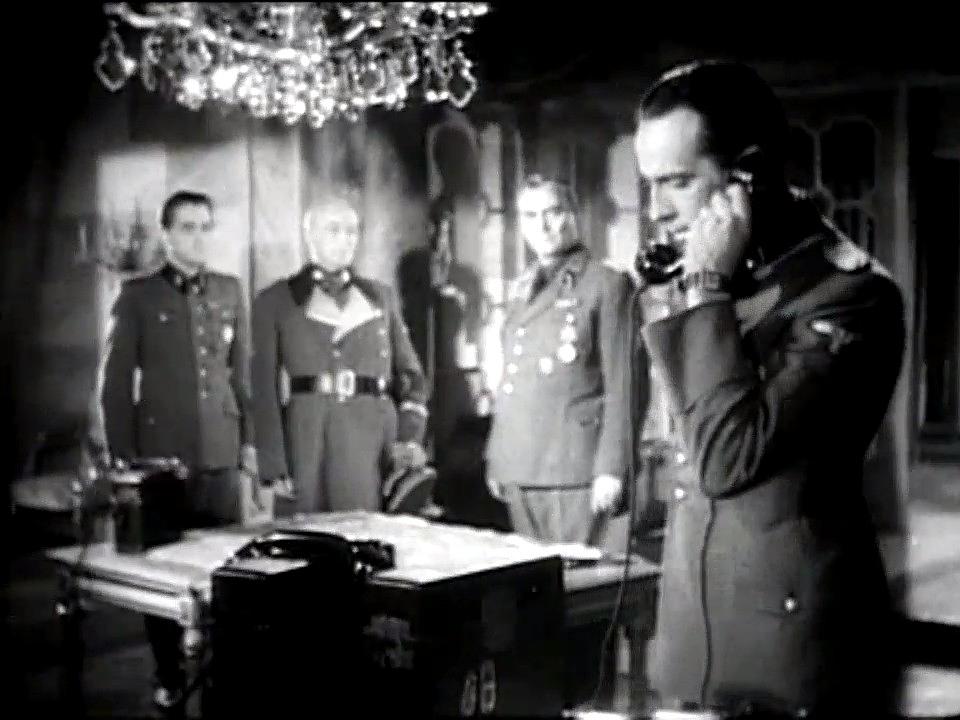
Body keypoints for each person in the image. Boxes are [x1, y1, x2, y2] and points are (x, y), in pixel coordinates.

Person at [632, 60, 905, 717]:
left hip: (788, 650)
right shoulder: (729, 277)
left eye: (676, 182)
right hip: (695, 633)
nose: (656, 211)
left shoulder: (849, 295)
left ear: (747, 173)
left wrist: (705, 290)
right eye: (649, 184)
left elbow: (728, 458)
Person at [99, 190, 257, 710]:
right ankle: (168, 673)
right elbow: (115, 386)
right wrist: (125, 462)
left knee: (228, 572)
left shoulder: (230, 290)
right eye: (187, 227)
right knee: (165, 575)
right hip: (162, 460)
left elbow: (243, 378)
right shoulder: (138, 296)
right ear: (167, 235)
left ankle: (222, 680)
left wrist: (249, 445)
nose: (198, 237)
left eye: (206, 227)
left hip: (221, 455)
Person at [484, 174, 642, 547]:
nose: (542, 226)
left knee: (578, 575)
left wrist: (611, 467)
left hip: (575, 469)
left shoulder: (607, 284)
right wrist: (498, 456)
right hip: (521, 465)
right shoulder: (522, 289)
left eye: (552, 212)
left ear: (573, 214)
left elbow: (625, 385)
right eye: (530, 216)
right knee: (537, 576)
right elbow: (512, 382)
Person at [251, 197, 430, 514]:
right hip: (308, 440)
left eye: (351, 231)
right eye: (333, 230)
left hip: (374, 440)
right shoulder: (277, 300)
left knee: (369, 531)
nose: (345, 240)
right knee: (308, 531)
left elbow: (412, 377)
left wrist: (409, 437)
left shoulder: (380, 297)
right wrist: (273, 465)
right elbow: (263, 388)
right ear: (310, 236)